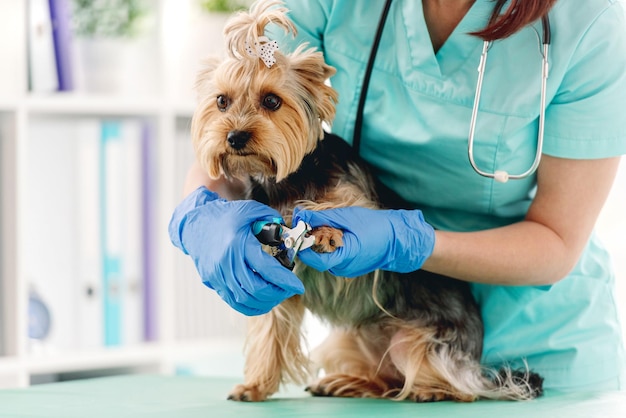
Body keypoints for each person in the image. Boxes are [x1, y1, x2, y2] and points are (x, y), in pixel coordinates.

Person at [169, 0, 626, 392]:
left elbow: (558, 239)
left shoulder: (591, 24)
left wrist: (411, 241)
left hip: (539, 342)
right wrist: (201, 213)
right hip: (372, 349)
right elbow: (244, 108)